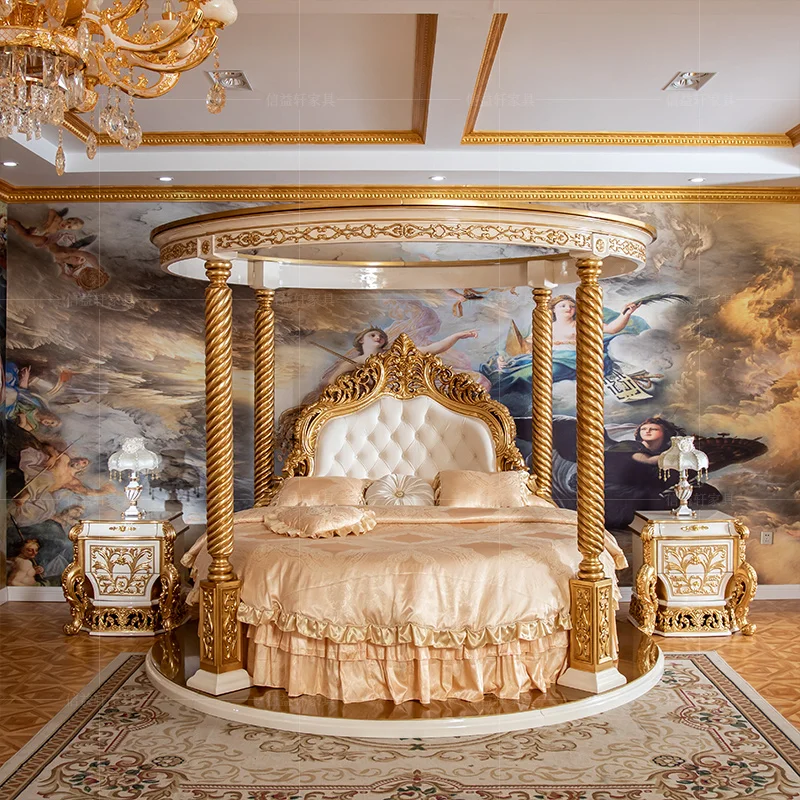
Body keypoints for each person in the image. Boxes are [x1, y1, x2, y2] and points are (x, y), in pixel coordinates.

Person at [324, 326, 479, 384]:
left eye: (381, 336)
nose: (378, 337)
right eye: (372, 335)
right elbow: (331, 382)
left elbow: (433, 348)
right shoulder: (351, 363)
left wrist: (457, 336)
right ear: (361, 340)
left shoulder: (396, 353)